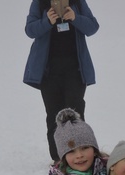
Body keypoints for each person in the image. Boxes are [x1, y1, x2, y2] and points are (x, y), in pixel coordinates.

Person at [23, 0, 99, 162]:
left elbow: (93, 27)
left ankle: (83, 158)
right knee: (53, 116)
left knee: (75, 115)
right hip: (49, 72)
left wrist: (75, 17)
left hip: (75, 71)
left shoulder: (78, 2)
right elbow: (30, 30)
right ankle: (59, 159)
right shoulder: (39, 3)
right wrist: (47, 21)